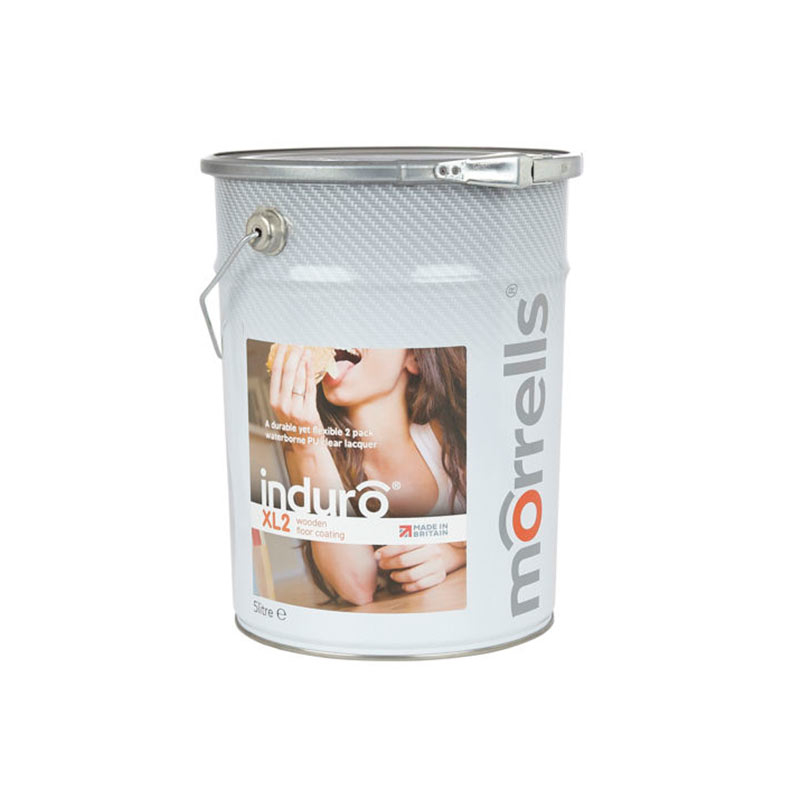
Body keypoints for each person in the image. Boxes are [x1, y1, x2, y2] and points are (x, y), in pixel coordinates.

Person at [268, 344, 466, 606]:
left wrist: (455, 554)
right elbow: (357, 587)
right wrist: (308, 444)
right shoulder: (309, 453)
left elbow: (508, 527)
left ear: (414, 359)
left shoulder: (451, 433)